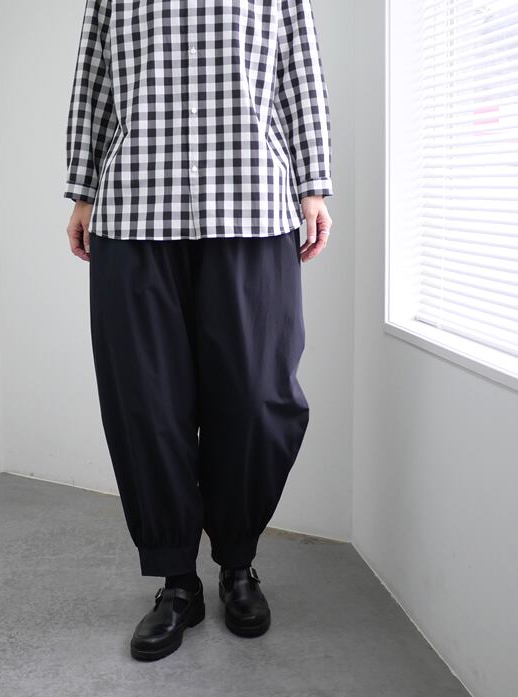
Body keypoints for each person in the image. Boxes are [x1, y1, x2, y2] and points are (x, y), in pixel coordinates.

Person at [63, 0, 334, 661]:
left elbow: (301, 72)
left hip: (252, 204)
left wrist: (313, 185)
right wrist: (83, 191)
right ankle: (176, 581)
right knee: (146, 404)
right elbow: (93, 79)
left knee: (257, 397)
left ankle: (237, 562)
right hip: (135, 208)